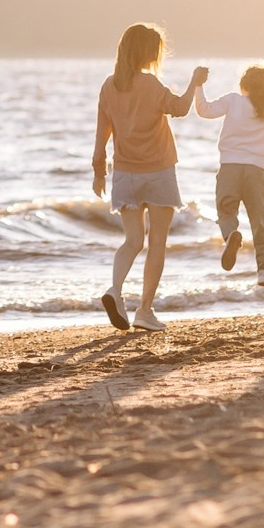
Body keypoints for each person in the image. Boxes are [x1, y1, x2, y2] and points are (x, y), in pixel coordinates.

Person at [89, 22, 206, 331]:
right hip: (158, 172)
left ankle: (115, 290)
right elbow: (180, 108)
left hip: (125, 174)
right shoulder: (151, 84)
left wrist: (99, 172)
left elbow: (102, 134)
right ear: (146, 53)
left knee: (132, 241)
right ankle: (144, 310)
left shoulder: (109, 86)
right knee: (157, 243)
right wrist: (194, 82)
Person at [192, 57, 264, 287]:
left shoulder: (233, 100)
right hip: (256, 171)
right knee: (259, 221)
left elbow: (204, 110)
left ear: (244, 85)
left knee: (226, 210)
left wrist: (198, 85)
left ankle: (231, 235)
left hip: (229, 167)